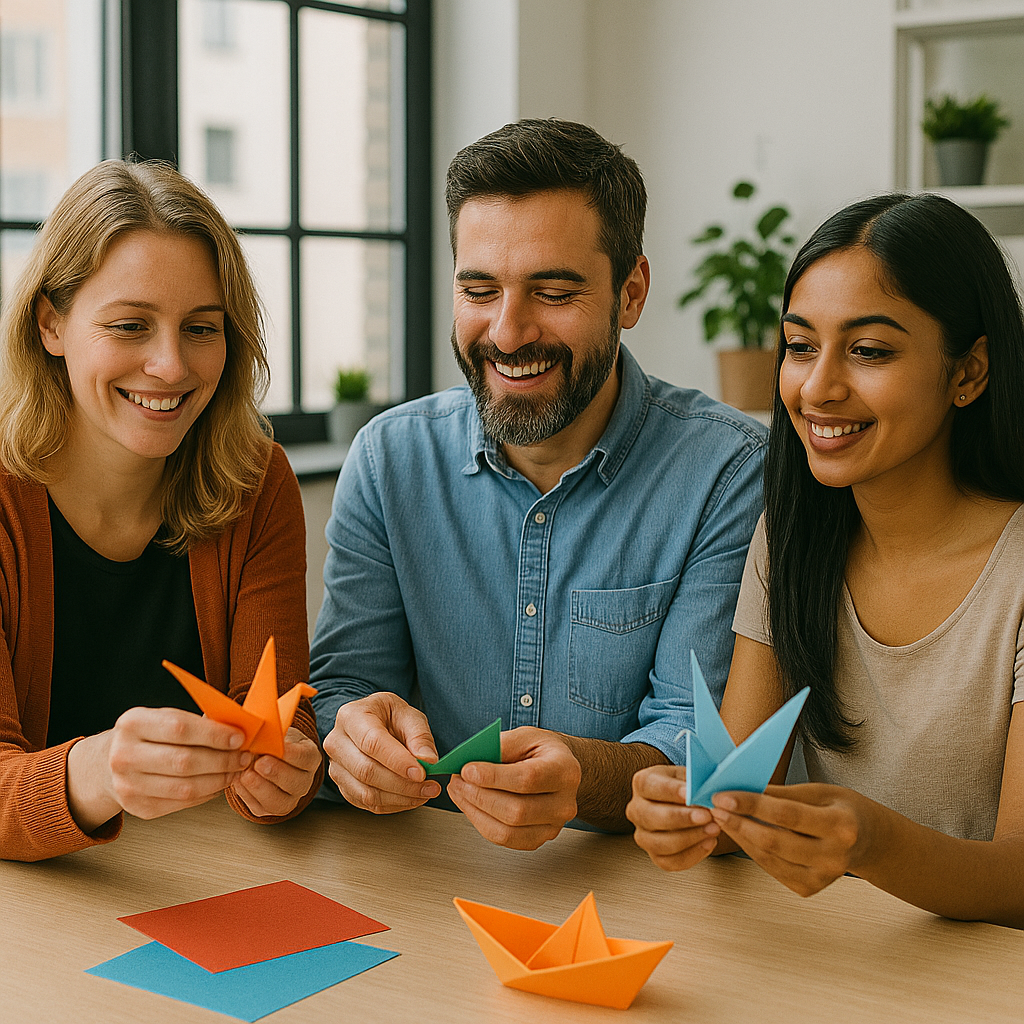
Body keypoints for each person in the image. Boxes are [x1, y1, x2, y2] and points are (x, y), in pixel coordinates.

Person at [311, 119, 766, 850]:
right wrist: (354, 740)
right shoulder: (387, 460)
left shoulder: (729, 471)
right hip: (427, 882)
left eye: (553, 291)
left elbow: (698, 747)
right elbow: (343, 689)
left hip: (643, 895)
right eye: (479, 289)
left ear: (631, 293)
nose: (509, 331)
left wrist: (584, 776)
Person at [627, 192, 1024, 927]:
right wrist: (690, 812)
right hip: (832, 964)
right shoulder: (790, 539)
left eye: (869, 350)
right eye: (800, 345)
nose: (817, 387)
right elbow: (738, 797)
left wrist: (869, 841)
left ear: (969, 372)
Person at [0, 160, 323, 862]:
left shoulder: (255, 480)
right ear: (51, 324)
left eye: (201, 329)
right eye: (130, 325)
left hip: (198, 878)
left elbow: (283, 726)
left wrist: (287, 775)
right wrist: (98, 770)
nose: (171, 366)